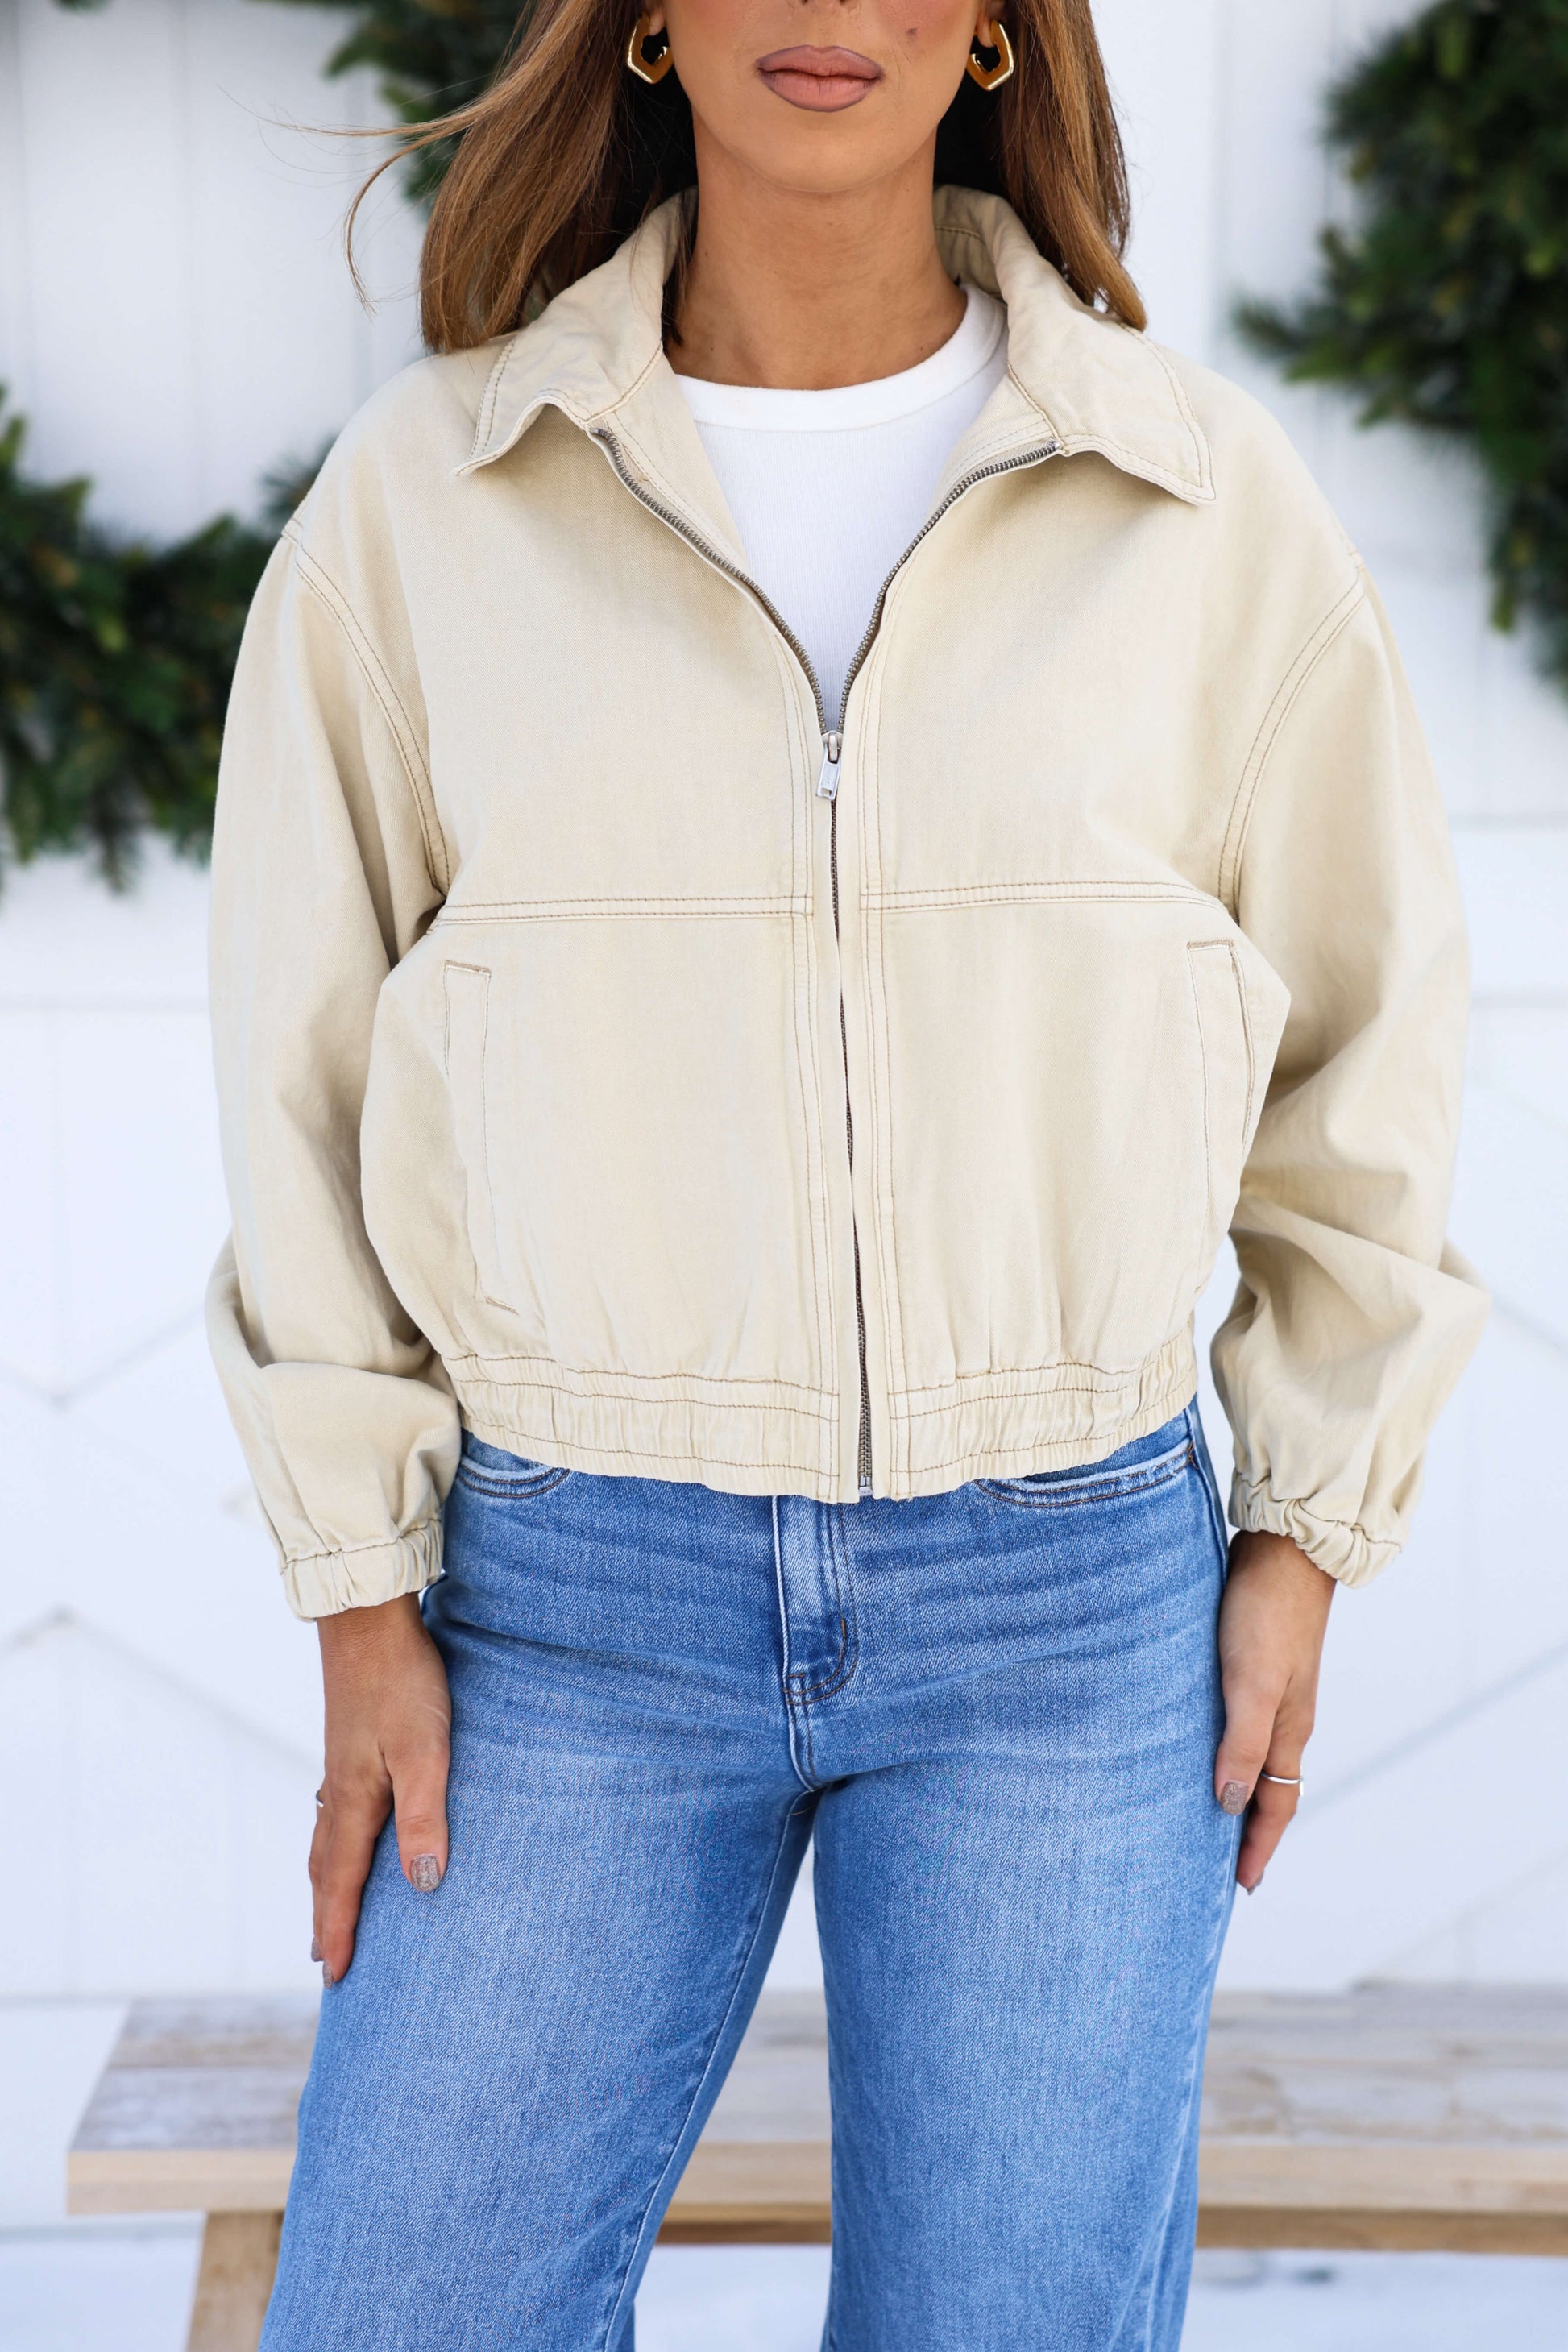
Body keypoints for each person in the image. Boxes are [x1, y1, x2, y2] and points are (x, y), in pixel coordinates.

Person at [206, 0, 1486, 2342]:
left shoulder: (1199, 503)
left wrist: (1305, 1532)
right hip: (559, 1597)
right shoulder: (428, 501)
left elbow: (1362, 1046)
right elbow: (295, 1059)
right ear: (656, 22)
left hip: (1066, 1610)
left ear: (996, 29)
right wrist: (358, 1591)